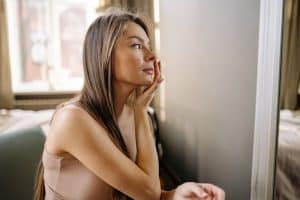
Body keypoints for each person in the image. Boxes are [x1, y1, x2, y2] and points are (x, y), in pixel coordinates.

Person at [34, 7, 225, 200]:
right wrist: (141, 110)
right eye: (136, 45)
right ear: (105, 54)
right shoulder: (72, 119)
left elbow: (144, 191)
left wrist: (175, 195)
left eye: (149, 46)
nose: (152, 56)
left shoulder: (136, 116)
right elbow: (148, 194)